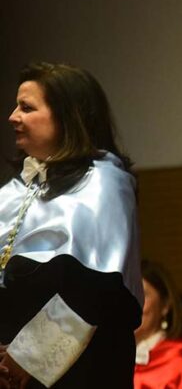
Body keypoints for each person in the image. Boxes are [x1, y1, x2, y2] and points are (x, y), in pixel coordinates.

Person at [0, 62, 142, 388]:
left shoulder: (104, 183)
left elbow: (94, 289)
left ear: (66, 115)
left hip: (81, 373)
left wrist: (25, 358)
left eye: (26, 107)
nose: (12, 117)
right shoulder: (15, 189)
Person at [134, 260, 182, 389]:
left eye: (142, 295)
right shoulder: (110, 357)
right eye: (129, 294)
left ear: (164, 305)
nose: (132, 304)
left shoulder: (180, 357)